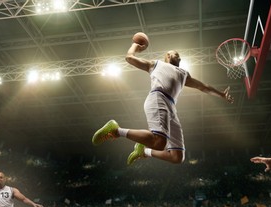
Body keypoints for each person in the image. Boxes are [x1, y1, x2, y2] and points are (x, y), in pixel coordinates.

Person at [92, 39, 234, 165]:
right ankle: (116, 130)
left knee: (177, 157)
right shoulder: (156, 64)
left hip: (171, 107)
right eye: (175, 54)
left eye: (179, 56)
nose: (179, 57)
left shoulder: (184, 74)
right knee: (159, 142)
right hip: (158, 98)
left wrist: (221, 94)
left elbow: (203, 86)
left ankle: (144, 151)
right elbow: (129, 58)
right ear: (167, 56)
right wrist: (135, 45)